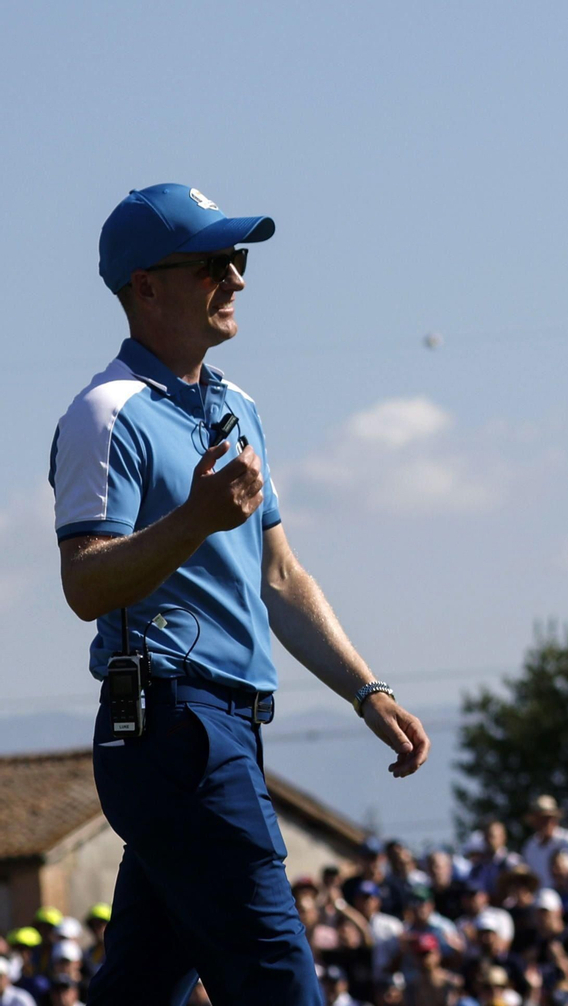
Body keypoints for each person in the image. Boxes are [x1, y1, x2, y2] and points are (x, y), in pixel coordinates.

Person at [51, 183, 431, 1005]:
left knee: (142, 987)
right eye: (214, 263)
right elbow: (84, 581)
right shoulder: (104, 413)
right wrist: (193, 518)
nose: (238, 278)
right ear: (146, 286)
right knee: (277, 979)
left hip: (217, 730)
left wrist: (368, 691)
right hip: (172, 727)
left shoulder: (240, 407)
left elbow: (282, 577)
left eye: (239, 259)